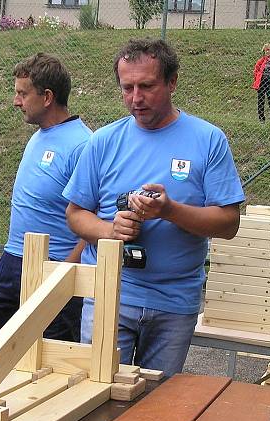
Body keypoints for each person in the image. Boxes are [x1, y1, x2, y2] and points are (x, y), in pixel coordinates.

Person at [64, 38, 244, 377]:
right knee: (96, 395)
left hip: (173, 303)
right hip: (109, 295)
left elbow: (229, 223)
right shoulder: (103, 141)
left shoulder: (208, 140)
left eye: (146, 86)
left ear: (172, 82)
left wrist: (170, 211)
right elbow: (75, 214)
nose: (136, 98)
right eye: (127, 87)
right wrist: (110, 230)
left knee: (155, 409)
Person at [0, 53, 91, 341]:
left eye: (22, 93)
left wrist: (65, 271)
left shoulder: (83, 145)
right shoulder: (38, 136)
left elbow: (95, 218)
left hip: (53, 268)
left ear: (47, 97)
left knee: (50, 371)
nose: (16, 101)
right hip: (13, 261)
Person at [252, 42, 270, 124]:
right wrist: (257, 80)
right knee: (261, 101)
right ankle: (261, 119)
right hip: (261, 83)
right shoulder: (261, 61)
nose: (267, 52)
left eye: (269, 50)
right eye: (265, 50)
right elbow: (256, 71)